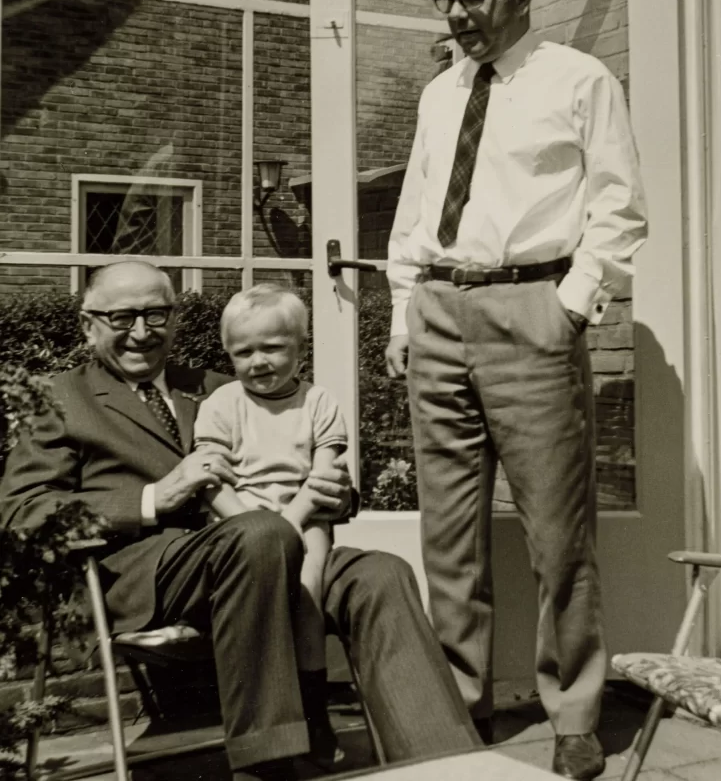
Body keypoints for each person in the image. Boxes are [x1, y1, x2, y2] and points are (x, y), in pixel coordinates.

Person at [0, 260, 479, 781]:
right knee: (260, 535)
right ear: (88, 324)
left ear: (176, 319)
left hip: (271, 545)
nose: (141, 332)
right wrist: (154, 497)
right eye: (121, 317)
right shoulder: (59, 399)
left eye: (155, 314)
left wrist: (335, 492)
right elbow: (23, 512)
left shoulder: (219, 384)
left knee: (379, 574)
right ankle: (268, 765)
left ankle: (443, 765)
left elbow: (299, 457)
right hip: (151, 574)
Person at [385, 0, 648, 781]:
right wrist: (401, 310)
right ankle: (459, 704)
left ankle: (572, 709)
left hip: (530, 307)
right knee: (448, 534)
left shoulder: (577, 79)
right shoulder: (437, 95)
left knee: (555, 533)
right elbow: (417, 209)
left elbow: (618, 205)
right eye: (445, 1)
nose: (457, 14)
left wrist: (567, 307)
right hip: (437, 311)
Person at [193, 284, 346, 768]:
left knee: (305, 598)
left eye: (273, 348)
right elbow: (210, 481)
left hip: (308, 516)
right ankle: (270, 728)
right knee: (260, 601)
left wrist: (290, 523)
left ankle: (315, 710)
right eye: (244, 352)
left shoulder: (318, 403)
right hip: (242, 522)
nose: (258, 361)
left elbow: (326, 476)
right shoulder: (221, 404)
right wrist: (257, 525)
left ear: (301, 346)